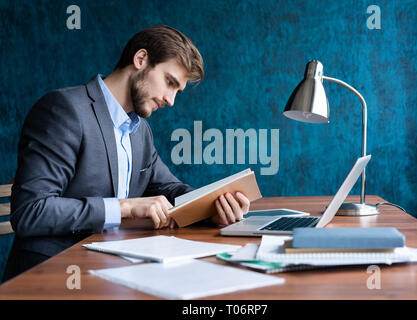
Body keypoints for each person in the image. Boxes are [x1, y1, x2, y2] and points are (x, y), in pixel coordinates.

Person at [3, 25, 250, 282]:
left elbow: (170, 189)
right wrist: (126, 207)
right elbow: (30, 211)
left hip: (112, 270)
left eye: (177, 90)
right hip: (54, 277)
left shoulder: (139, 130)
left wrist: (212, 207)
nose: (171, 100)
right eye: (169, 82)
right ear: (140, 59)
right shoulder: (64, 110)